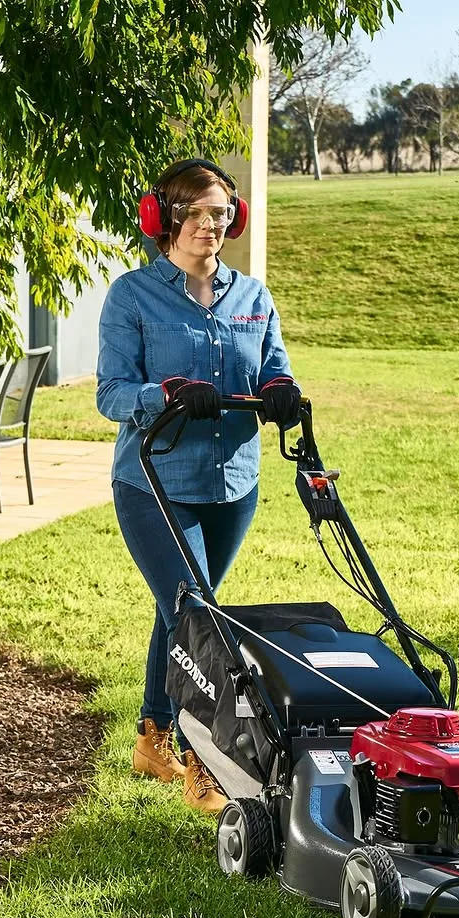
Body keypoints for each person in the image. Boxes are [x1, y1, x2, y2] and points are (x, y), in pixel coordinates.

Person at [96, 159, 301, 813]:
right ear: (164, 218)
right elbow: (111, 393)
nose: (208, 225)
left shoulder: (253, 297)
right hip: (154, 482)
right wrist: (165, 394)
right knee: (199, 616)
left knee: (186, 609)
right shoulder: (132, 296)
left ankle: (151, 735)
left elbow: (274, 367)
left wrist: (280, 390)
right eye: (194, 212)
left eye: (220, 213)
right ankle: (203, 758)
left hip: (232, 485)